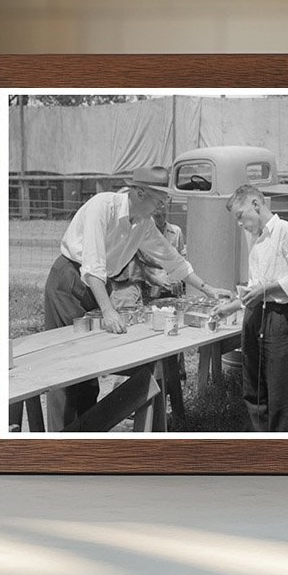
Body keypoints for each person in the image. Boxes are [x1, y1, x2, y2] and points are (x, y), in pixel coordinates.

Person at [42, 167, 231, 431]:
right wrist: (108, 311)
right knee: (66, 366)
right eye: (158, 199)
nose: (162, 206)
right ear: (140, 193)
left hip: (97, 284)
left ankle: (86, 436)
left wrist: (207, 288)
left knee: (88, 367)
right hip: (69, 281)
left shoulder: (143, 223)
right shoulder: (102, 207)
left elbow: (172, 260)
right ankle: (58, 442)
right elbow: (92, 267)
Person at [213, 184, 288, 433]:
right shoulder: (254, 238)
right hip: (254, 316)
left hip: (278, 319)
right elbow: (254, 288)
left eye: (239, 216)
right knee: (253, 389)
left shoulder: (285, 231)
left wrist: (266, 289)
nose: (239, 224)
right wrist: (232, 307)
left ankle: (284, 454)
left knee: (279, 392)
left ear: (255, 205)